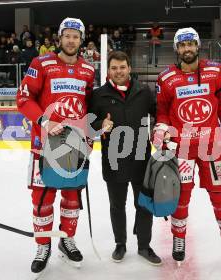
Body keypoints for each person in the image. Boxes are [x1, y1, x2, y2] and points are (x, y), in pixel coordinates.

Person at [154, 27, 221, 267]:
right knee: (180, 196)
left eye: (190, 44)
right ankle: (179, 238)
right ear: (177, 49)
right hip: (181, 148)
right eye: (182, 45)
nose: (187, 49)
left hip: (212, 146)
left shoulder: (216, 71)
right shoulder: (165, 78)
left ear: (197, 46)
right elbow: (162, 111)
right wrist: (160, 130)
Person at [16, 17, 95, 274]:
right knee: (42, 197)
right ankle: (43, 245)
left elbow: (90, 107)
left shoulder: (87, 70)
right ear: (59, 38)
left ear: (81, 40)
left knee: (72, 197)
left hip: (75, 146)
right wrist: (44, 121)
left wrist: (90, 136)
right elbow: (24, 98)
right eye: (67, 35)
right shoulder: (41, 63)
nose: (71, 40)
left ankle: (66, 239)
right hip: (44, 145)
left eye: (76, 36)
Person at [88, 51, 161, 265]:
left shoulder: (144, 91)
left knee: (144, 205)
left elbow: (159, 113)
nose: (118, 72)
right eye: (114, 68)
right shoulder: (99, 95)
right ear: (108, 70)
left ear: (129, 68)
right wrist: (100, 125)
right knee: (117, 205)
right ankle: (120, 244)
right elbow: (88, 124)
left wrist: (160, 129)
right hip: (114, 160)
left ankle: (144, 246)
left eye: (122, 67)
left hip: (141, 158)